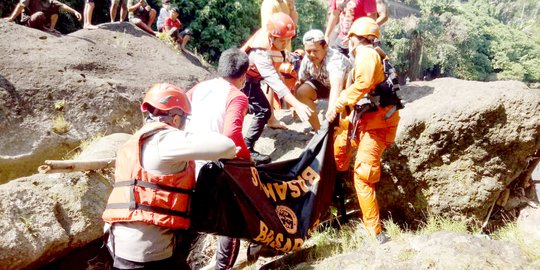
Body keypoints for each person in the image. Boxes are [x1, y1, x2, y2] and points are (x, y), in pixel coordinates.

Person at [102, 83, 238, 269]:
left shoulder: (134, 142)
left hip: (119, 243)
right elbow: (227, 147)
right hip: (147, 251)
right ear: (175, 119)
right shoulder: (165, 140)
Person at [326, 17, 399, 243]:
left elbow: (363, 84)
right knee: (340, 140)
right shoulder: (374, 53)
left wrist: (338, 104)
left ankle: (375, 232)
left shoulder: (366, 54)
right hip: (370, 121)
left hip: (378, 127)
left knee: (363, 175)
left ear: (354, 39)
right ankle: (337, 182)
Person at [186, 48, 251, 270]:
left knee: (189, 221)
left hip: (187, 162)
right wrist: (247, 161)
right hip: (214, 168)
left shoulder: (198, 88)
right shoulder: (237, 96)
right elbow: (231, 135)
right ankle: (223, 267)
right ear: (244, 75)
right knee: (231, 220)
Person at [240, 12, 313, 165]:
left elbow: (276, 78)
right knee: (260, 110)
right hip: (242, 80)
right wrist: (297, 104)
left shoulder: (273, 42)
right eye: (282, 41)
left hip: (252, 79)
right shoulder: (261, 52)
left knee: (263, 110)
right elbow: (274, 82)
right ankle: (247, 148)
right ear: (272, 36)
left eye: (288, 40)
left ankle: (255, 135)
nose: (285, 44)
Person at [295, 29, 352, 132]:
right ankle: (319, 131)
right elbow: (300, 81)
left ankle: (342, 132)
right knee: (301, 92)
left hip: (345, 89)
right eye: (308, 51)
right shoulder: (307, 59)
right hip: (325, 85)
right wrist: (295, 104)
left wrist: (331, 109)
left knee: (340, 104)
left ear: (325, 47)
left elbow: (336, 86)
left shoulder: (334, 60)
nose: (311, 54)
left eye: (315, 51)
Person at [260, 0, 298, 130]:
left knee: (282, 79)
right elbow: (268, 29)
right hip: (272, 48)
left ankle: (273, 115)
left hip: (282, 47)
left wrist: (292, 9)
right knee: (270, 82)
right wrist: (282, 50)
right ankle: (271, 118)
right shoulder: (270, 4)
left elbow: (292, 28)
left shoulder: (285, 3)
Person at [5, 0, 82, 33]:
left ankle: (51, 29)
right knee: (40, 14)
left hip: (40, 20)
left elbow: (61, 5)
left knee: (55, 10)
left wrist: (74, 12)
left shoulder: (48, 0)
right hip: (28, 21)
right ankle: (40, 27)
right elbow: (21, 5)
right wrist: (11, 18)